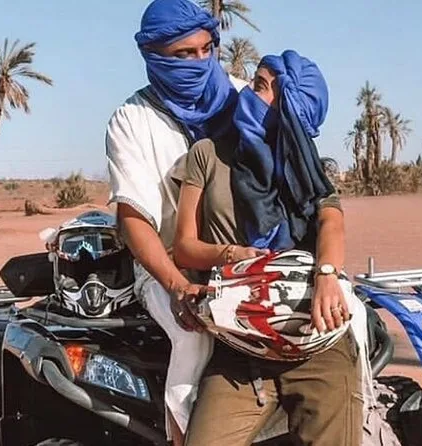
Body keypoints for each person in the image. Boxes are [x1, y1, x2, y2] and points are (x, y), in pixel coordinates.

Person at [174, 50, 364, 446]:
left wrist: (327, 275)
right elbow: (185, 248)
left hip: (316, 342)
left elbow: (331, 222)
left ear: (288, 111)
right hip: (240, 343)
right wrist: (232, 255)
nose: (247, 93)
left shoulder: (309, 171)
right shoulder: (208, 154)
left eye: (259, 87)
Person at [104, 0, 247, 444]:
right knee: (195, 338)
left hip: (246, 260)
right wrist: (177, 285)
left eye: (206, 50)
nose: (199, 63)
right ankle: (182, 435)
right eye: (184, 54)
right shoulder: (132, 121)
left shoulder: (244, 99)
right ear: (154, 56)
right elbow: (134, 218)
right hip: (167, 267)